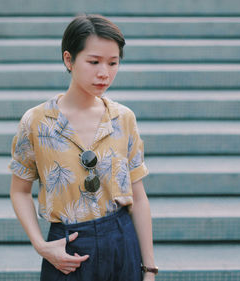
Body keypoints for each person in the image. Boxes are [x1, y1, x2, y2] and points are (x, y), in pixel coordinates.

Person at [9, 14, 158, 281]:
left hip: (122, 242)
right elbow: (20, 191)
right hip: (68, 248)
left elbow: (138, 196)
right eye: (94, 62)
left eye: (113, 63)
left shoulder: (123, 118)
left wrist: (149, 269)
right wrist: (41, 245)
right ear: (69, 59)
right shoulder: (37, 121)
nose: (104, 72)